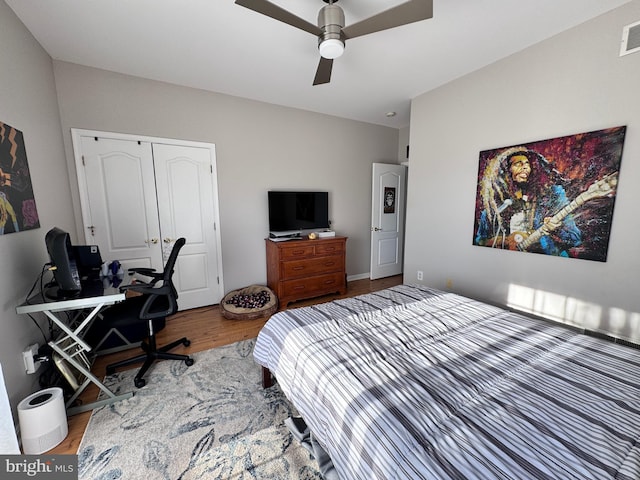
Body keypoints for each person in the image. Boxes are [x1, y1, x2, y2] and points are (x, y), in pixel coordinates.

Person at [474, 146, 581, 256]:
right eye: (518, 164)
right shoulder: (497, 205)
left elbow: (575, 238)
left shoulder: (551, 196)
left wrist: (556, 229)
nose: (525, 167)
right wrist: (504, 241)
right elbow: (480, 241)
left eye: (527, 164)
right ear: (506, 172)